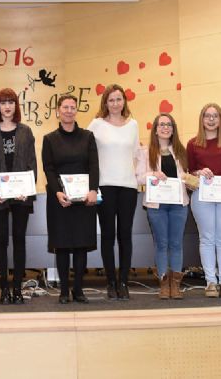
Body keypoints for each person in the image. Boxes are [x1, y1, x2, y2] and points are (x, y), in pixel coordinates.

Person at [0, 88, 37, 304]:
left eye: (11, 102)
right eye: (3, 102)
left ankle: (18, 289)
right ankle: (4, 288)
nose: (7, 106)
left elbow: (32, 164)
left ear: (16, 105)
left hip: (21, 196)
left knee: (19, 240)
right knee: (1, 241)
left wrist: (28, 189)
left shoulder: (25, 132)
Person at [42, 94, 99, 304]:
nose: (68, 110)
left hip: (84, 199)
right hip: (60, 199)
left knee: (81, 244)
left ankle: (79, 290)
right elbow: (48, 168)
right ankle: (64, 291)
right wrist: (57, 192)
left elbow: (94, 165)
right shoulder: (49, 139)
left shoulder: (88, 136)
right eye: (64, 107)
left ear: (76, 110)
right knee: (63, 244)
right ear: (58, 111)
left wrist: (93, 190)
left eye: (72, 107)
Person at [87, 84, 139, 301]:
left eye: (119, 99)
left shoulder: (133, 124)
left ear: (124, 101)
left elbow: (136, 156)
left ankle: (124, 282)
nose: (115, 104)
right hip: (105, 186)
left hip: (128, 186)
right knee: (108, 235)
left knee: (125, 235)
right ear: (105, 103)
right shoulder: (96, 124)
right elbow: (88, 154)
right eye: (111, 100)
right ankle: (110, 282)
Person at [187, 104, 221, 299]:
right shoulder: (193, 143)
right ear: (202, 119)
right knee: (207, 238)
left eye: (215, 116)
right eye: (207, 116)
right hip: (203, 196)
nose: (211, 120)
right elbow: (189, 173)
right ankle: (211, 281)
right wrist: (198, 173)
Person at [137, 113, 189, 300]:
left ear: (173, 128)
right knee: (161, 244)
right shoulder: (145, 152)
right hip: (156, 204)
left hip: (178, 204)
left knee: (176, 244)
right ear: (156, 129)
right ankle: (163, 283)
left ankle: (175, 285)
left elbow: (187, 176)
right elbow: (138, 178)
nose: (165, 127)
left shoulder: (181, 151)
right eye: (161, 125)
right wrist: (153, 174)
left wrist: (190, 180)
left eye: (169, 124)